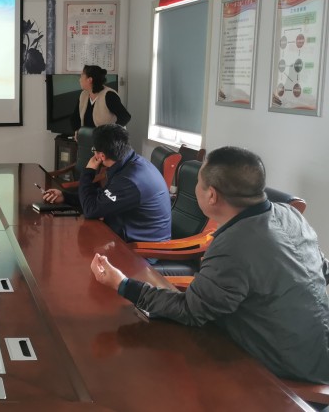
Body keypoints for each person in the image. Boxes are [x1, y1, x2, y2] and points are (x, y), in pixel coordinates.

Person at [90, 146, 329, 384]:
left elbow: (191, 311)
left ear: (212, 195)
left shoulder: (234, 245)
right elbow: (322, 269)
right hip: (318, 349)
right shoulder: (290, 214)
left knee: (155, 368)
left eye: (198, 183)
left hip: (287, 370)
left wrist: (123, 284)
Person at [43, 124, 171, 242]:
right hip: (127, 235)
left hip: (142, 249)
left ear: (101, 156)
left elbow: (91, 210)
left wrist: (88, 171)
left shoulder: (129, 180)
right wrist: (65, 197)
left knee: (76, 243)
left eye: (94, 149)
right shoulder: (130, 163)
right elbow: (101, 199)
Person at [71, 65, 130, 138]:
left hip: (107, 141)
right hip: (88, 138)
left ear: (89, 80)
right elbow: (75, 117)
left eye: (81, 76)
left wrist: (110, 134)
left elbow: (125, 117)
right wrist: (77, 130)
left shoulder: (109, 95)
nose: (79, 80)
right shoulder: (84, 94)